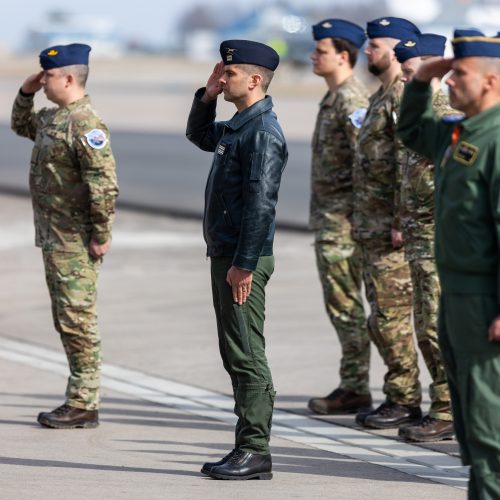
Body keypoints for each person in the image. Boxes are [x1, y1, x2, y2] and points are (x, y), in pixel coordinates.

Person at [397, 28, 500, 499]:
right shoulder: (459, 133)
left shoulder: (496, 141)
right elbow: (411, 130)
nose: (452, 82)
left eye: (461, 74)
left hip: (484, 298)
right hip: (457, 293)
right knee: (467, 417)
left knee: (488, 424)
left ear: (492, 82)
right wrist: (423, 80)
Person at [186, 39, 287, 480]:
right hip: (228, 252)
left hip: (241, 258)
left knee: (246, 351)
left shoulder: (262, 133)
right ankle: (246, 445)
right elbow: (198, 135)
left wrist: (244, 263)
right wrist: (206, 97)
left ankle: (254, 449)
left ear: (254, 80)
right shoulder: (239, 125)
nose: (221, 79)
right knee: (235, 350)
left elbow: (261, 205)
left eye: (228, 75)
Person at [11, 43, 118, 429]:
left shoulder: (86, 125)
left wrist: (101, 234)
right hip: (54, 237)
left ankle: (84, 401)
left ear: (70, 78)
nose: (44, 82)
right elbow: (20, 124)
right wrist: (25, 92)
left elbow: (103, 186)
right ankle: (80, 398)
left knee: (78, 320)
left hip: (74, 240)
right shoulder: (54, 118)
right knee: (66, 319)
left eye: (49, 76)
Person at [351, 17, 423, 429]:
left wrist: (399, 219)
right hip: (372, 226)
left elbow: (406, 164)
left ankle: (406, 398)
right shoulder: (382, 97)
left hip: (392, 231)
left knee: (394, 317)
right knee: (381, 316)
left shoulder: (401, 97)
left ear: (398, 49)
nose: (368, 51)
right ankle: (400, 394)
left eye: (375, 45)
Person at [306, 19, 372, 415]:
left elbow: (369, 167)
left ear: (343, 56)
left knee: (347, 306)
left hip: (345, 224)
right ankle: (355, 383)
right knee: (341, 305)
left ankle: (356, 386)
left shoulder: (352, 101)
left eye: (321, 51)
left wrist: (359, 221)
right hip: (333, 221)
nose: (314, 57)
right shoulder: (334, 98)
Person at [392, 33, 455, 442]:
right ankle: (444, 405)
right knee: (424, 326)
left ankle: (449, 409)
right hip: (417, 235)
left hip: (435, 237)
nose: (403, 76)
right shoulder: (417, 112)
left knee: (435, 327)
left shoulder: (445, 115)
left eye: (411, 70)